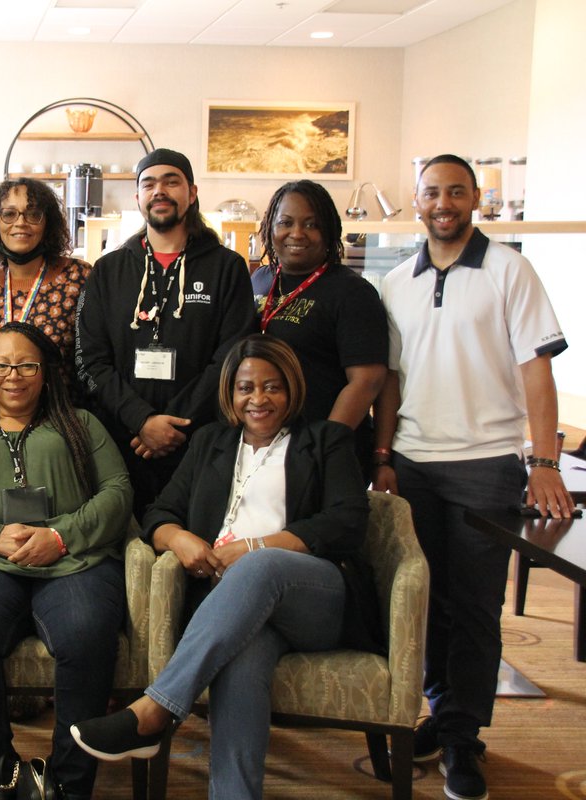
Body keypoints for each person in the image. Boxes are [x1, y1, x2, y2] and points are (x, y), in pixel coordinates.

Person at [70, 334, 370, 800]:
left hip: (314, 596)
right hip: (240, 609)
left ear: (292, 389)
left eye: (272, 387)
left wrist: (256, 547)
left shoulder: (325, 439)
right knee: (242, 662)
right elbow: (158, 514)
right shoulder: (211, 441)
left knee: (263, 565)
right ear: (230, 393)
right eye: (246, 388)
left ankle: (156, 710)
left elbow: (347, 521)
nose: (258, 399)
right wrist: (182, 540)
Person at [372, 154, 573, 800]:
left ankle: (465, 740)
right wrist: (383, 457)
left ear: (476, 198)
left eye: (456, 192)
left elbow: (537, 372)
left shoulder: (511, 271)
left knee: (476, 607)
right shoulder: (397, 280)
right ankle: (444, 710)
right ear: (417, 199)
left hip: (486, 465)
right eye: (433, 192)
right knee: (425, 602)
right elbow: (392, 383)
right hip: (414, 463)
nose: (443, 203)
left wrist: (544, 461)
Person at [0, 322, 133, 800]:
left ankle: (68, 783)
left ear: (47, 371)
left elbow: (118, 493)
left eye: (26, 364)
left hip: (75, 562)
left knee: (88, 634)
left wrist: (60, 535)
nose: (13, 375)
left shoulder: (81, 424)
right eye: (1, 365)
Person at [75, 147, 257, 517]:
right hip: (122, 442)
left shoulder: (227, 268)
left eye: (171, 182)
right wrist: (142, 420)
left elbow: (233, 357)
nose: (160, 191)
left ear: (191, 193)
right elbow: (90, 361)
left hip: (201, 441)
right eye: (149, 184)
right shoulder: (107, 271)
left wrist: (174, 425)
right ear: (138, 198)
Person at [251, 179, 387, 480]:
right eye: (285, 222)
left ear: (329, 232)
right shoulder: (259, 280)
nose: (296, 233)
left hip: (326, 453)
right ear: (270, 228)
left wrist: (321, 447)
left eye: (311, 225)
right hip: (266, 447)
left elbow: (367, 382)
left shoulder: (351, 292)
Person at [0, 178, 91, 384]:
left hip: (63, 411)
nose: (20, 223)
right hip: (0, 412)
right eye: (9, 214)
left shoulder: (79, 277)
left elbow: (94, 360)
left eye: (33, 214)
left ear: (48, 222)